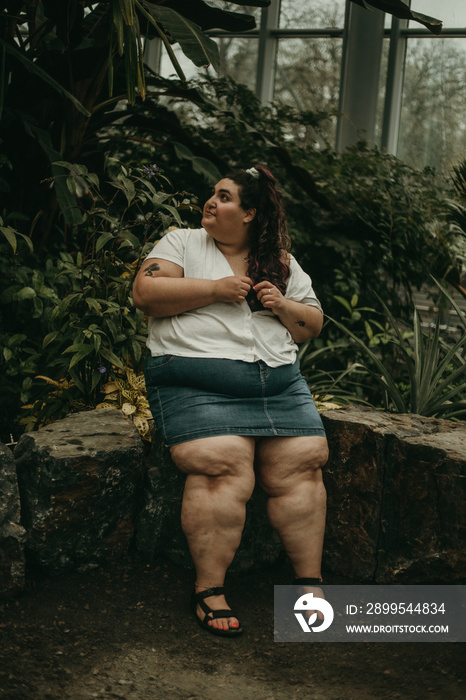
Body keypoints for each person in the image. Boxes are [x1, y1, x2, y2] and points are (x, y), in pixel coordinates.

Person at [132, 165, 328, 637]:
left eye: (224, 197)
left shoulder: (281, 261)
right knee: (223, 463)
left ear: (249, 214)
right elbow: (146, 292)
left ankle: (309, 586)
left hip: (278, 386)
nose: (211, 202)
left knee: (303, 461)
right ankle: (209, 589)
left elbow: (313, 324)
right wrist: (215, 290)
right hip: (195, 381)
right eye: (213, 194)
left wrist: (282, 305)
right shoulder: (181, 243)